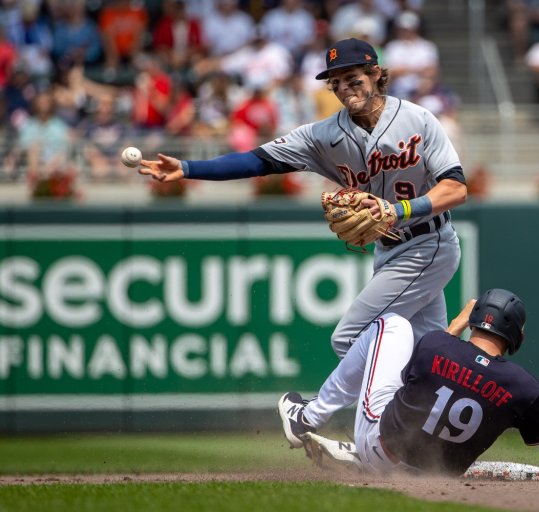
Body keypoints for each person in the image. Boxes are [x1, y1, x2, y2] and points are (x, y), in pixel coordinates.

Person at [137, 39, 466, 374]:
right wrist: (190, 169)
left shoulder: (418, 119)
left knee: (351, 338)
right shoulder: (321, 136)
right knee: (431, 354)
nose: (344, 89)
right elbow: (255, 161)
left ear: (376, 73)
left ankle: (381, 416)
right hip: (388, 249)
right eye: (335, 83)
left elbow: (455, 189)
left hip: (429, 242)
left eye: (353, 79)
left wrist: (398, 211)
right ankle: (432, 412)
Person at [277, 288, 539, 475]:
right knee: (510, 405)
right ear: (515, 336)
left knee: (392, 325)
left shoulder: (435, 344)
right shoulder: (520, 385)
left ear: (475, 320)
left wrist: (456, 325)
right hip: (433, 477)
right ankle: (531, 416)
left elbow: (423, 373)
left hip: (380, 449)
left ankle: (308, 416)